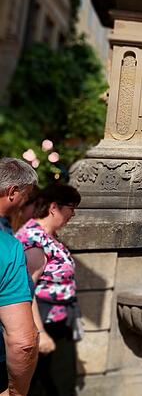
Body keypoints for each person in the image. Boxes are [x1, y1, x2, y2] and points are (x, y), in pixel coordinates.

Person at [17, 184, 82, 396]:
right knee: (45, 388)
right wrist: (41, 333)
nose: (73, 213)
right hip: (43, 323)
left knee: (60, 385)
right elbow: (25, 290)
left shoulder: (49, 237)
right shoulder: (34, 239)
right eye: (71, 207)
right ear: (54, 207)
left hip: (60, 323)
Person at [0, 158, 39, 395]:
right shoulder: (9, 248)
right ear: (13, 192)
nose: (27, 202)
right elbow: (22, 341)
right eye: (27, 195)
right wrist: (15, 392)